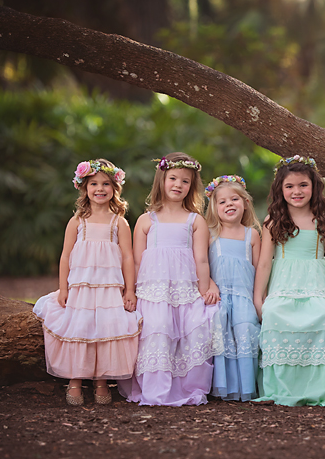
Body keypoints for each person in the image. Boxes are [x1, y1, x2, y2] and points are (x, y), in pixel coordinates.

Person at [33, 159, 141, 405]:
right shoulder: (77, 221)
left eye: (106, 184)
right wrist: (63, 288)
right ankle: (75, 379)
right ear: (84, 187)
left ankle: (101, 381)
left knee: (106, 329)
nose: (100, 189)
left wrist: (130, 291)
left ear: (115, 188)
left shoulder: (119, 222)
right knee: (79, 328)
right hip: (81, 287)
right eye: (94, 184)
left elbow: (128, 257)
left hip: (109, 288)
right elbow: (65, 256)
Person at [118, 152, 222, 406]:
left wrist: (205, 287)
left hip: (185, 290)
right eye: (173, 178)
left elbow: (201, 260)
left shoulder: (194, 220)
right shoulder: (146, 220)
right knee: (156, 333)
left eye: (185, 181)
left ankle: (187, 387)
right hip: (152, 292)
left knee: (189, 333)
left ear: (192, 187)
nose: (178, 185)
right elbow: (137, 260)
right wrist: (130, 291)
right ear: (161, 181)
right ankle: (156, 389)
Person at [252, 155, 325, 406]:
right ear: (280, 190)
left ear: (314, 187)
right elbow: (264, 263)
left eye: (303, 185)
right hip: (284, 288)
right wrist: (258, 297)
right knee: (274, 315)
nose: (297, 191)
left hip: (316, 287)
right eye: (290, 186)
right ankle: (282, 387)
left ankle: (319, 387)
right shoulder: (273, 222)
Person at [205, 175, 261, 401]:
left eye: (234, 199)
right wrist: (209, 285)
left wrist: (259, 300)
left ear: (245, 203)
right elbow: (200, 264)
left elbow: (259, 270)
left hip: (245, 297)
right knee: (220, 331)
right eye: (222, 201)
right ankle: (222, 386)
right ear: (214, 207)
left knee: (245, 331)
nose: (229, 204)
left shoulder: (252, 234)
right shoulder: (210, 234)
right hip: (219, 296)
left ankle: (246, 387)